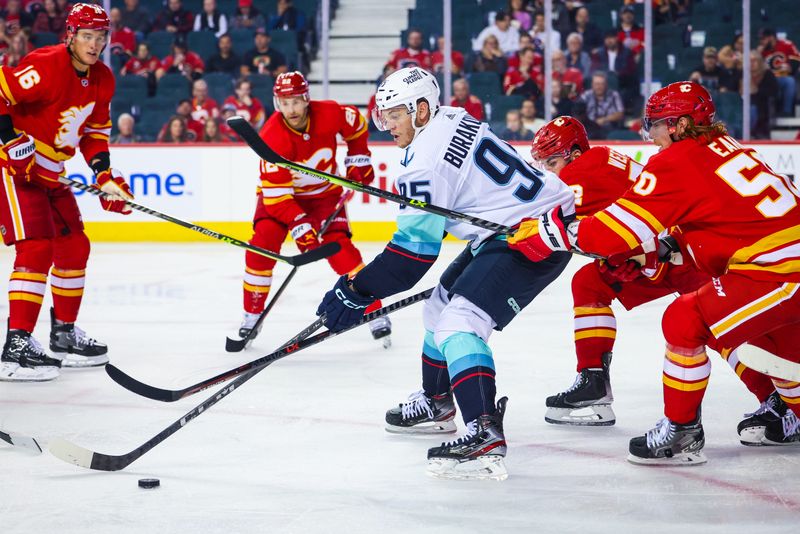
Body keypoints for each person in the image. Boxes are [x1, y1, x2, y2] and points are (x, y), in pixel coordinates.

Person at [508, 81, 800, 462]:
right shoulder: (724, 147)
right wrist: (663, 250)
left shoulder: (677, 160)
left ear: (678, 125)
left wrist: (548, 234)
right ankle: (788, 411)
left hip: (778, 271)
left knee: (687, 319)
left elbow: (609, 231)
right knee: (776, 354)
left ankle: (682, 431)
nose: (650, 135)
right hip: (768, 265)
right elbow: (715, 221)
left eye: (656, 125)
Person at [316, 66, 576, 479]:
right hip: (517, 226)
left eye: (395, 115)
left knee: (459, 323)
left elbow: (411, 259)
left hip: (534, 235)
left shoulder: (422, 164)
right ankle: (437, 402)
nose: (387, 126)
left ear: (421, 109)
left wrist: (355, 290)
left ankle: (482, 430)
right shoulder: (449, 115)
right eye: (383, 116)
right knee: (438, 310)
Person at [0, 3, 134, 382]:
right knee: (37, 247)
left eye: (101, 37)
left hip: (52, 171)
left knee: (75, 245)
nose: (95, 45)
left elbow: (93, 134)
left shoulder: (103, 79)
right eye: (88, 36)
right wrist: (9, 140)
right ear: (71, 36)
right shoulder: (47, 64)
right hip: (13, 167)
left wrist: (104, 174)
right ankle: (16, 345)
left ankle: (63, 334)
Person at [238, 71, 391, 346]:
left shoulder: (329, 113)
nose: (291, 109)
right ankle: (252, 316)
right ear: (276, 103)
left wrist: (359, 159)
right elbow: (276, 197)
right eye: (284, 103)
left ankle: (374, 310)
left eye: (296, 101)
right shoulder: (272, 136)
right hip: (281, 201)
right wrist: (299, 224)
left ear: (306, 98)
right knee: (262, 247)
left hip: (324, 196)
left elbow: (356, 125)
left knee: (341, 249)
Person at [758, 28, 799, 117]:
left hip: (783, 77)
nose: (761, 42)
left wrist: (791, 68)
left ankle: (786, 112)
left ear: (771, 38)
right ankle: (764, 115)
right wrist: (758, 54)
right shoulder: (761, 50)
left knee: (790, 81)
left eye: (763, 39)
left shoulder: (787, 44)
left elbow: (797, 60)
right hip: (767, 80)